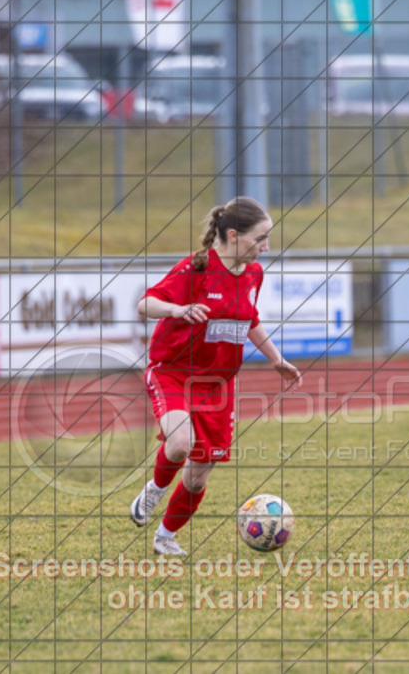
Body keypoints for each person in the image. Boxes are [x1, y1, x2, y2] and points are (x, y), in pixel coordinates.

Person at [130, 196, 303, 555]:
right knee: (181, 443)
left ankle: (165, 537)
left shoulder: (254, 274)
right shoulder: (196, 268)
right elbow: (145, 304)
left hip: (218, 385)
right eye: (260, 238)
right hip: (173, 372)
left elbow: (249, 319)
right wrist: (177, 309)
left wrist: (276, 359)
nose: (266, 247)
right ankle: (154, 491)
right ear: (234, 235)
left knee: (197, 477)